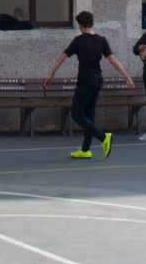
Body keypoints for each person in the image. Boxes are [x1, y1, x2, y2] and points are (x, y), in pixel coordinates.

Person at [43, 11, 134, 160]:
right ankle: (85, 149)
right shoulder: (101, 40)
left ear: (80, 25)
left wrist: (51, 74)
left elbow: (63, 56)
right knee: (89, 115)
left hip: (86, 81)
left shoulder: (79, 40)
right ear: (92, 23)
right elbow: (113, 60)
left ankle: (104, 137)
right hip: (98, 80)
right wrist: (127, 77)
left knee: (77, 114)